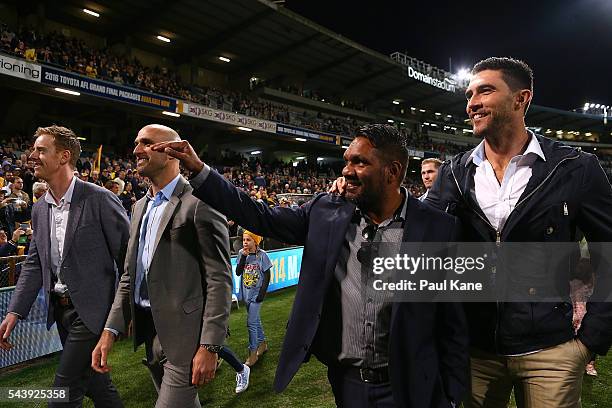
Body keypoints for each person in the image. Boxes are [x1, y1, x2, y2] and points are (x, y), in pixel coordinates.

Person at [153, 124, 469, 408]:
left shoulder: (438, 228)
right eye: (347, 161)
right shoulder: (327, 211)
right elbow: (258, 215)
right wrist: (199, 170)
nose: (347, 171)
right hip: (348, 384)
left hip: (412, 384)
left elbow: (451, 321)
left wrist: (453, 395)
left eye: (360, 162)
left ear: (392, 171)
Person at [425, 57, 612, 407]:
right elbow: (421, 243)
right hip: (474, 353)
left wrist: (591, 339)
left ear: (521, 99)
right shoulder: (453, 173)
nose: (472, 103)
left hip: (551, 352)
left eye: (485, 90)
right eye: (469, 94)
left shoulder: (575, 167)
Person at [92, 124, 233, 408]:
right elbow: (129, 276)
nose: (135, 150)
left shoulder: (201, 201)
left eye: (146, 143)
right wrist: (110, 330)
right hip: (151, 334)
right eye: (136, 143)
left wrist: (210, 345)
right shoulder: (138, 207)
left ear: (171, 153)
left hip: (187, 337)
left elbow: (219, 278)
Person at [0, 125, 128, 407]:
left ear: (63, 156)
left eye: (41, 150)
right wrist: (14, 312)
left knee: (63, 391)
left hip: (93, 313)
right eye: (33, 149)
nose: (32, 156)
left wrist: (121, 316)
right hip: (61, 311)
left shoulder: (100, 199)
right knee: (97, 385)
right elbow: (35, 264)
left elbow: (127, 259)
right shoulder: (39, 207)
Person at [235, 230, 271, 366]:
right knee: (255, 320)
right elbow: (238, 272)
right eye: (244, 240)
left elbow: (267, 276)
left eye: (248, 240)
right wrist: (243, 257)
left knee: (251, 323)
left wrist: (262, 294)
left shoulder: (263, 255)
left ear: (255, 241)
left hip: (257, 295)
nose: (245, 242)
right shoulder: (240, 253)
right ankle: (263, 344)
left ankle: (253, 353)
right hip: (246, 293)